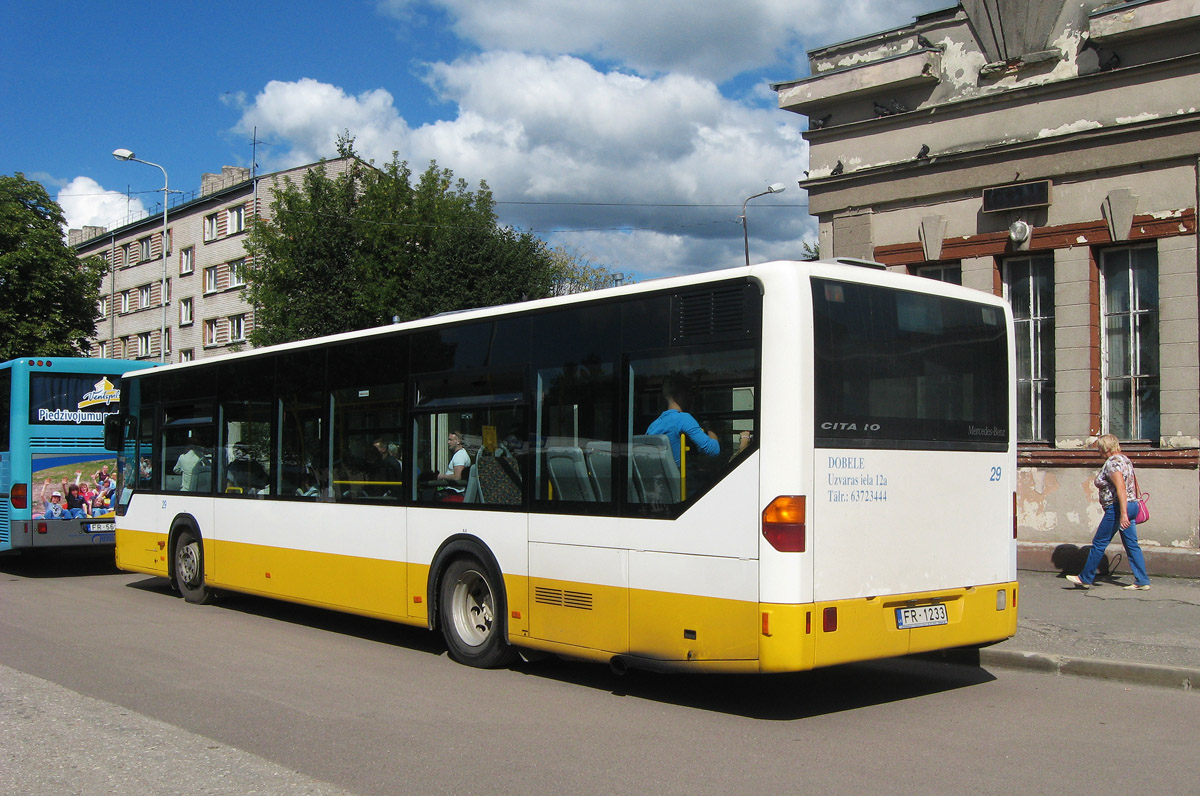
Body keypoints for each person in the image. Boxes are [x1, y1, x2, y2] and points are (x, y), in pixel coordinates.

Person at [1067, 434, 1151, 591]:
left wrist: (1123, 514)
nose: (1098, 451)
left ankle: (1085, 577)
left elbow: (1121, 488)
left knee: (1100, 542)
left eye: (1099, 447)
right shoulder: (1125, 459)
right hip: (1132, 505)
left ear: (1106, 448)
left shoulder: (1112, 463)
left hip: (1117, 508)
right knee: (1132, 544)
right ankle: (1142, 580)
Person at [646, 376, 721, 465]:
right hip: (681, 477)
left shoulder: (652, 426)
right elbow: (713, 450)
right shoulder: (683, 418)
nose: (692, 398)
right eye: (691, 393)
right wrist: (711, 429)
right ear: (682, 394)